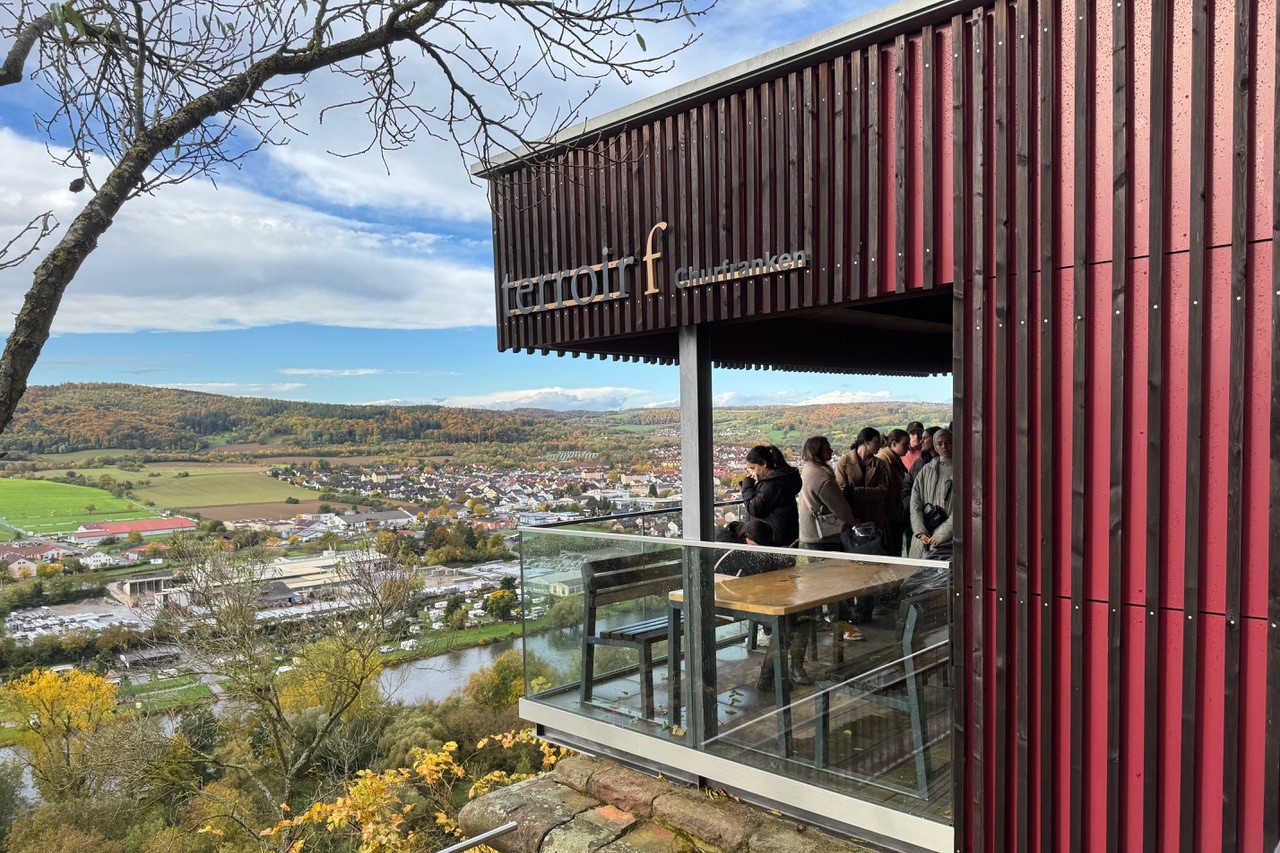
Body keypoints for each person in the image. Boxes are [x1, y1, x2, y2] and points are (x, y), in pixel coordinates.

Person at [796, 435, 865, 657]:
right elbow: (840, 507)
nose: (831, 449)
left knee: (825, 582)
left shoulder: (809, 469)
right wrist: (855, 523)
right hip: (825, 537)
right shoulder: (822, 477)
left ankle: (831, 622)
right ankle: (842, 625)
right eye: (827, 447)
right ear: (818, 451)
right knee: (837, 583)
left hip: (812, 536)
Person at [739, 444, 801, 547]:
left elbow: (754, 507)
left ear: (763, 463)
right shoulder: (782, 480)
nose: (753, 472)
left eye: (753, 468)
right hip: (784, 536)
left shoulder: (772, 484)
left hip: (772, 540)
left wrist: (747, 486)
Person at [909, 429, 954, 559]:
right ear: (935, 446)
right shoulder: (927, 469)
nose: (944, 447)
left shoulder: (963, 470)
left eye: (948, 442)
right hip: (923, 537)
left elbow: (962, 509)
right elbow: (915, 503)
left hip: (949, 541)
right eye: (940, 444)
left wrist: (941, 535)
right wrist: (920, 532)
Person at [834, 427, 889, 529]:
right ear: (866, 442)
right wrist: (870, 493)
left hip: (874, 517)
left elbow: (882, 492)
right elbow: (842, 493)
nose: (880, 446)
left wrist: (854, 492)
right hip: (853, 517)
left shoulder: (880, 463)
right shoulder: (844, 462)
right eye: (876, 442)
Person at [877, 428, 910, 557]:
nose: (908, 447)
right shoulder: (884, 460)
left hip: (896, 513)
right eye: (905, 444)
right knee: (892, 552)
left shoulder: (893, 459)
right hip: (890, 515)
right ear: (894, 443)